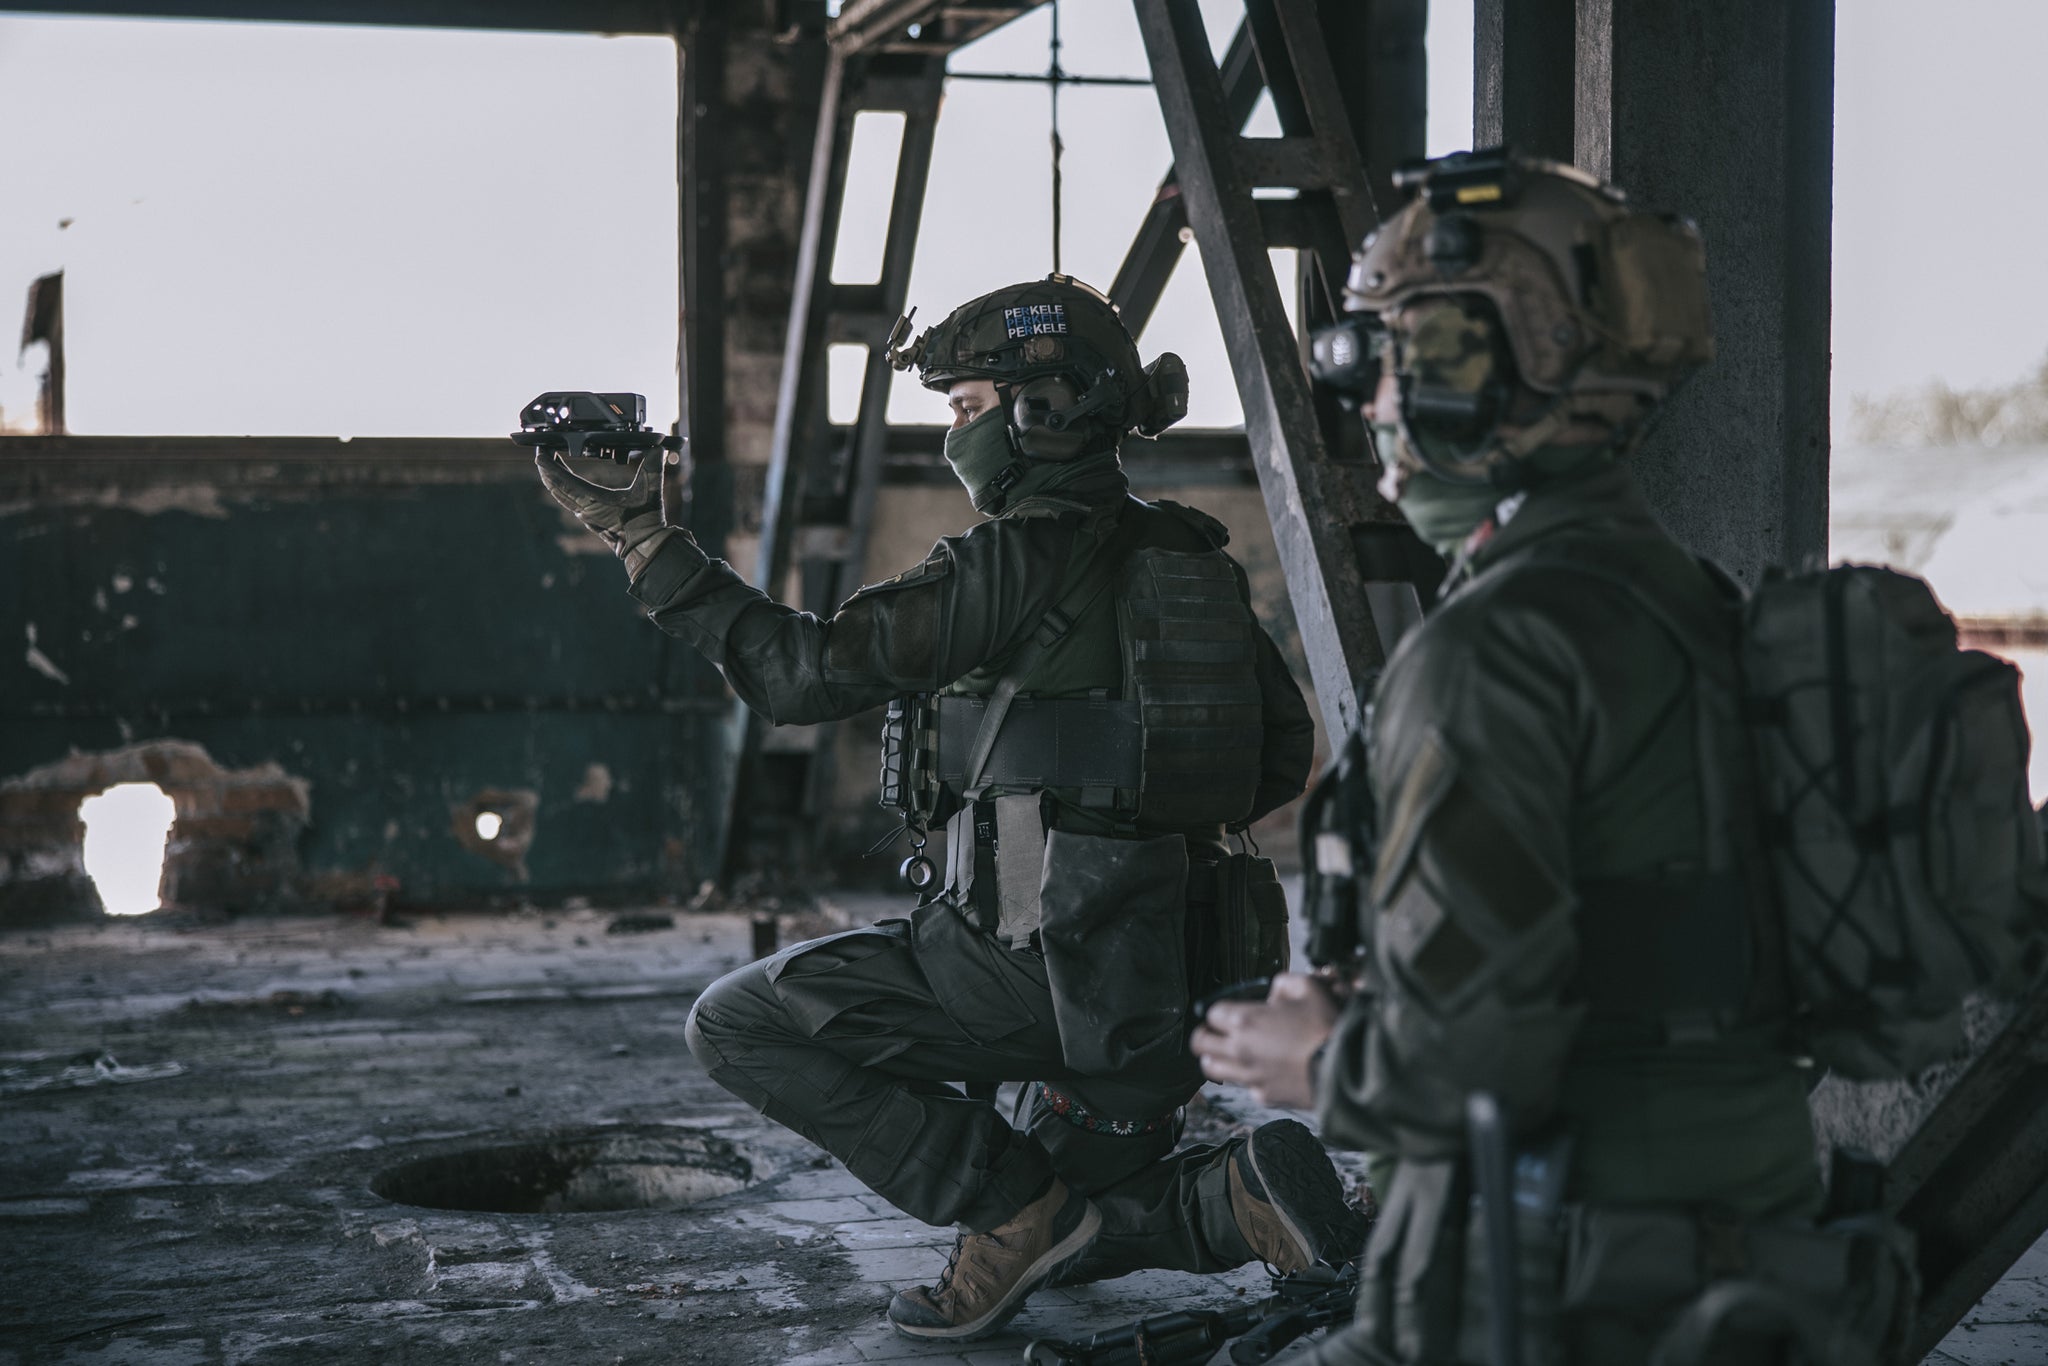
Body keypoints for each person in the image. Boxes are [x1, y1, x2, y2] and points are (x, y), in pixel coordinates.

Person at [535, 274, 1364, 1342]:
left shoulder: (1012, 559)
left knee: (735, 1023)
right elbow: (1280, 755)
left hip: (1043, 974)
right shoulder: (1191, 556)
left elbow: (801, 674)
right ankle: (1233, 1192)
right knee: (1076, 1231)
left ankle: (1015, 1210)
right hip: (1187, 983)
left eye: (969, 409)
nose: (957, 438)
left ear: (1043, 411)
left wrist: (645, 540)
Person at [1194, 151, 1911, 1364]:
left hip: (1556, 1273)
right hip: (1738, 1234)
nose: (1371, 403)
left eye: (1401, 356)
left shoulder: (1492, 649)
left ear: (1503, 373)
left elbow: (1474, 1066)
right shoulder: (1685, 596)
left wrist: (1317, 1058)